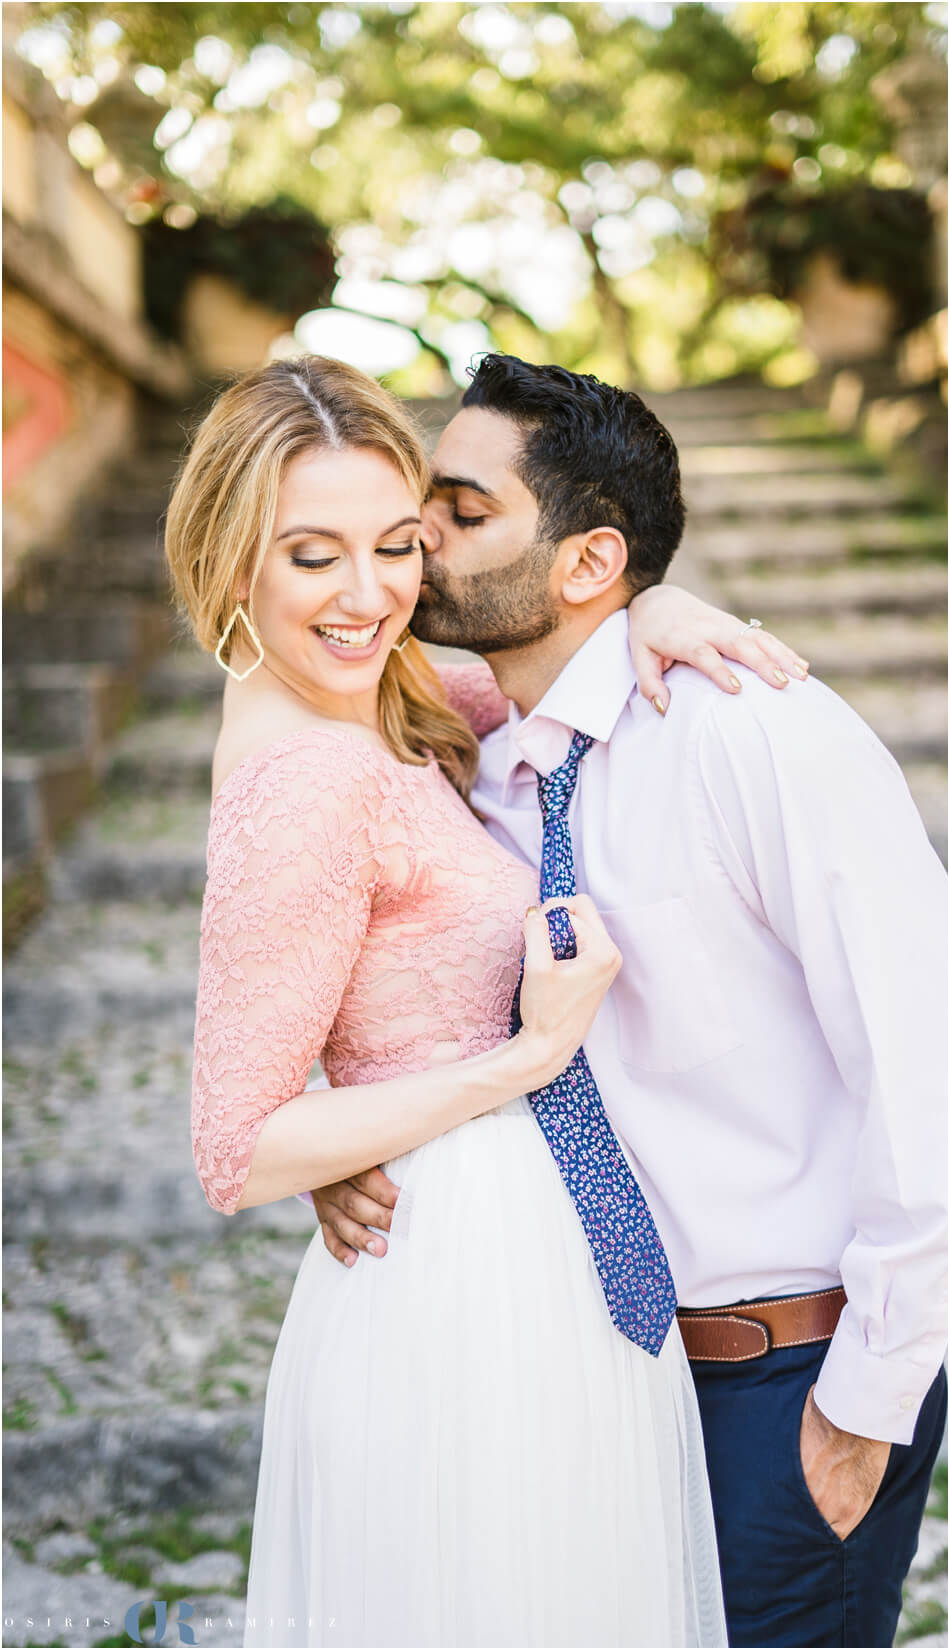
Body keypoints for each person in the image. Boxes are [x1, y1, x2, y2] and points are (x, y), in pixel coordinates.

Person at [310, 354, 948, 1648]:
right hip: (587, 1390)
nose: (420, 539)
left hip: (783, 1377)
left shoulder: (755, 734)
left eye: (465, 514)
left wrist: (865, 1404)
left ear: (589, 563)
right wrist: (345, 1141)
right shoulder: (479, 772)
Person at [173, 353, 807, 1650]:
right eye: (311, 557)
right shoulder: (304, 781)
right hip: (456, 1283)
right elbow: (236, 1147)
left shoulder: (387, 694)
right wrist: (521, 1057)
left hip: (535, 1250)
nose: (369, 596)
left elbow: (543, 670)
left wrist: (648, 606)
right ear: (234, 561)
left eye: (397, 544)